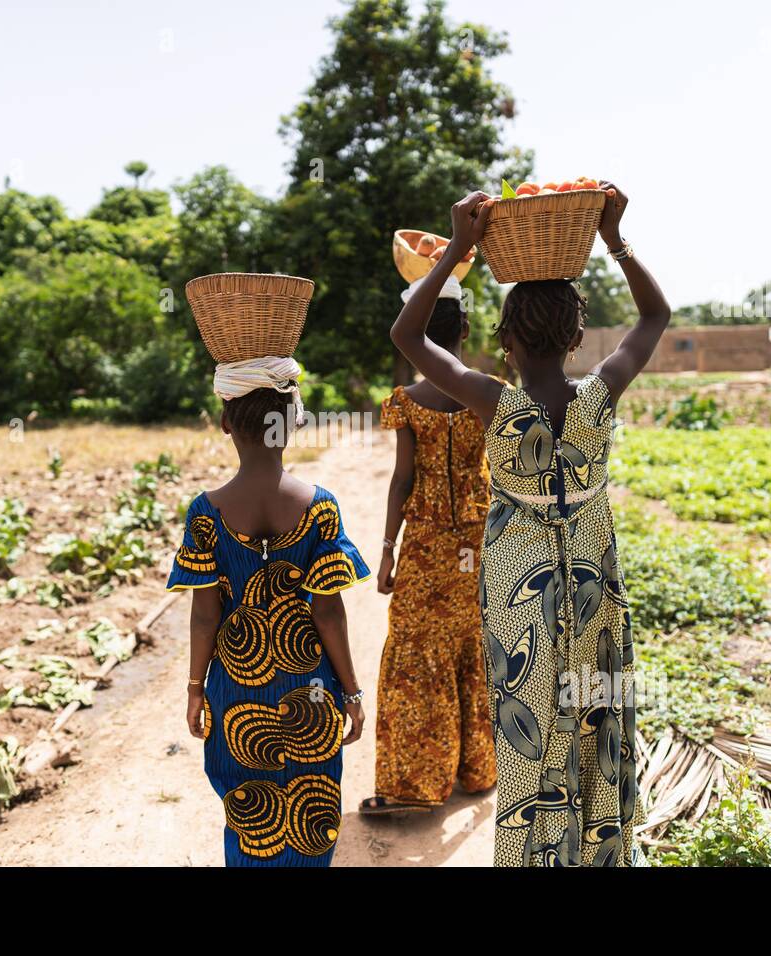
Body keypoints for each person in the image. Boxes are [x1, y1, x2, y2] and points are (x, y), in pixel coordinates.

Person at [389, 184, 671, 866]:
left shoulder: (490, 400)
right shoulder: (601, 393)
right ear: (577, 337)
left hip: (520, 591)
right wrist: (614, 237)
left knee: (528, 730)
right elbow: (656, 315)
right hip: (594, 587)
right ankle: (599, 852)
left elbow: (407, 335)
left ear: (506, 340)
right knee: (597, 719)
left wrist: (458, 245)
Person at [167, 374, 370, 867]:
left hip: (236, 695)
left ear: (224, 424)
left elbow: (204, 616)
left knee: (248, 818)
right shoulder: (320, 507)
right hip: (313, 690)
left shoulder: (204, 512)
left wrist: (196, 688)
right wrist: (352, 692)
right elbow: (328, 611)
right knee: (311, 815)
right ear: (291, 426)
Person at [361, 279, 496, 815]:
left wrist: (387, 548)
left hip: (425, 543)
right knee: (471, 646)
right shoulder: (491, 392)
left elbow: (401, 480)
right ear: (464, 329)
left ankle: (416, 784)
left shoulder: (408, 402)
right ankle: (477, 769)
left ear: (418, 334)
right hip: (480, 542)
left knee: (416, 652)